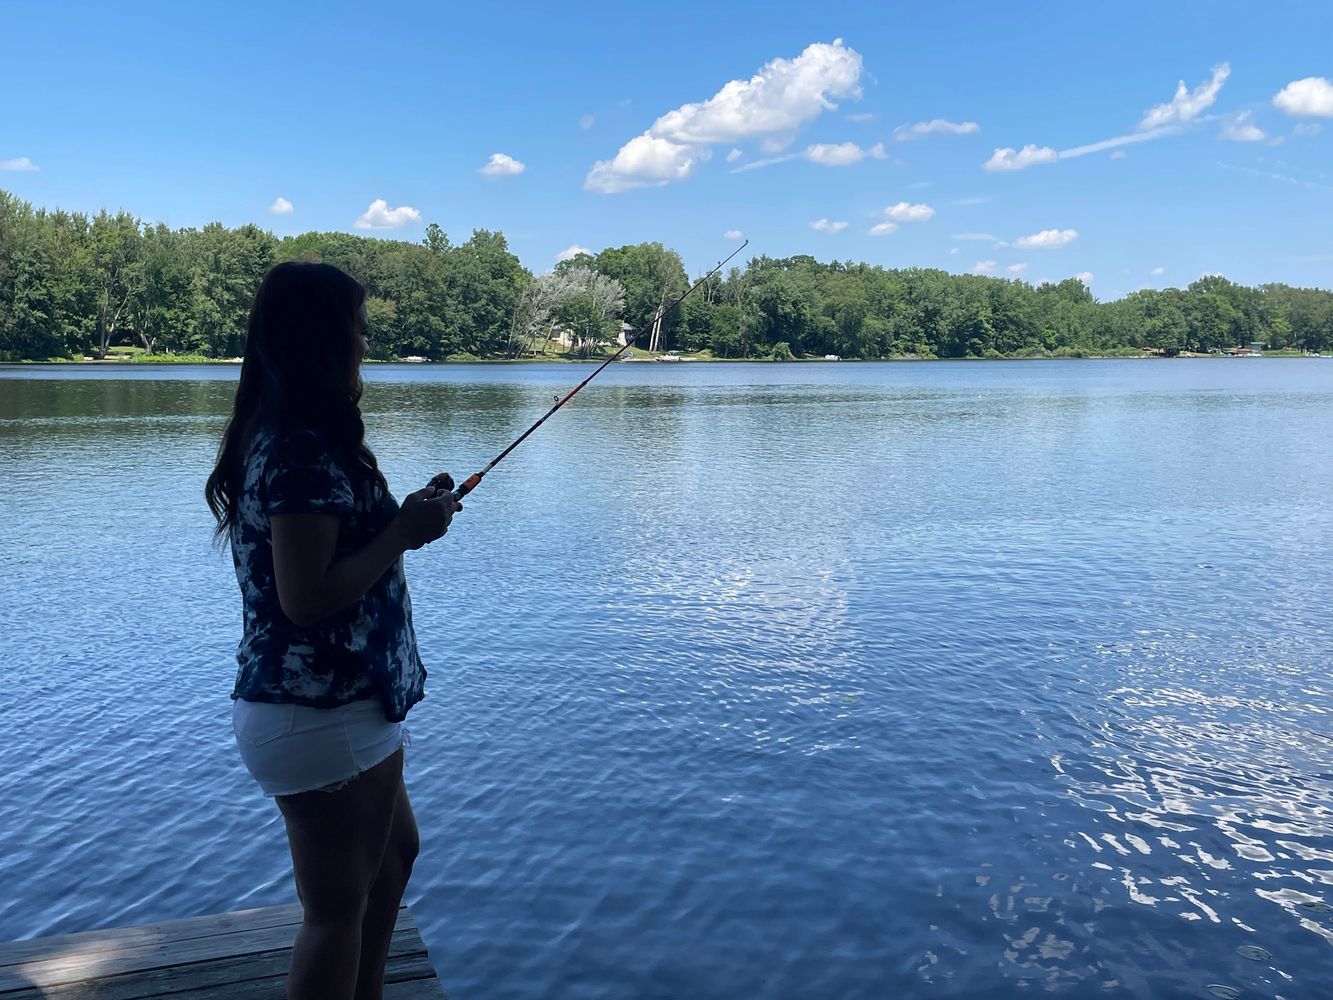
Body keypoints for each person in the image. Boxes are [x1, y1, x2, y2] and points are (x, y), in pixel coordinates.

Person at [205, 261, 459, 1000]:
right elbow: (306, 599)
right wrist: (403, 534)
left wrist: (403, 515)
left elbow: (333, 550)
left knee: (394, 859)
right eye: (357, 329)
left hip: (340, 707)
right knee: (334, 912)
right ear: (324, 339)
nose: (363, 344)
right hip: (318, 711)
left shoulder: (292, 436)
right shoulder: (301, 448)